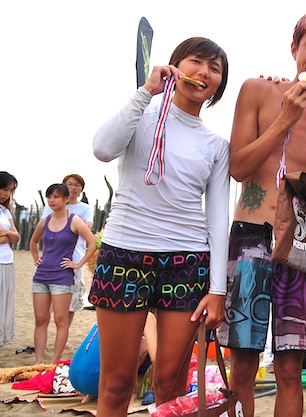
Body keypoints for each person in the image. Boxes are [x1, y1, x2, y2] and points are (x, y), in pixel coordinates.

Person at [218, 10, 306, 417]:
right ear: (294, 48)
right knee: (243, 365)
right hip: (249, 237)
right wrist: (285, 119)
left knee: (291, 370)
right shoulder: (257, 91)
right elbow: (237, 167)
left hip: (299, 247)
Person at [91, 36, 230, 415]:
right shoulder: (142, 116)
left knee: (170, 383)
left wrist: (217, 290)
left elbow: (218, 218)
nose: (204, 72)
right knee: (117, 382)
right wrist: (146, 92)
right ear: (175, 66)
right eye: (196, 61)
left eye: (215, 68)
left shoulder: (216, 145)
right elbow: (102, 149)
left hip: (187, 261)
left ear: (219, 84)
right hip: (124, 255)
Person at [29, 183, 97, 365]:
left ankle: (54, 361)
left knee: (61, 320)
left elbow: (92, 243)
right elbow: (33, 242)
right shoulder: (45, 221)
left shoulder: (75, 220)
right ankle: (38, 361)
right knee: (41, 320)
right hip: (41, 276)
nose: (52, 200)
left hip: (62, 277)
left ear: (66, 199)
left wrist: (78, 263)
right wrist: (36, 258)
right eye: (49, 197)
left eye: (56, 197)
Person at [41, 174, 93, 345]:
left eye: (77, 185)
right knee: (46, 301)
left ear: (81, 189)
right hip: (50, 259)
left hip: (75, 258)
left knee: (71, 301)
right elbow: (43, 227)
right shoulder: (51, 206)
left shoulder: (85, 208)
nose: (73, 187)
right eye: (69, 184)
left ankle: (64, 337)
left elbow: (87, 228)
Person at [0, 171, 20, 346]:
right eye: (5, 189)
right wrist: (9, 236)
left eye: (10, 191)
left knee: (5, 302)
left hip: (7, 261)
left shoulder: (5, 211)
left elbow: (17, 236)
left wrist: (6, 233)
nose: (7, 194)